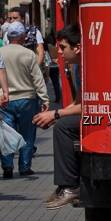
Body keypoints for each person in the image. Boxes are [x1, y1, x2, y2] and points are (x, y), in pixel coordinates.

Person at [32, 24, 81, 209]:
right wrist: (55, 116)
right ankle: (64, 186)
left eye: (63, 48)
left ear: (77, 47)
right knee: (62, 124)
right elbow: (78, 102)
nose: (59, 52)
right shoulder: (77, 67)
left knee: (63, 128)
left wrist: (57, 113)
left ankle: (70, 186)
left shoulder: (86, 67)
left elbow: (90, 106)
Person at [0, 21, 49, 178]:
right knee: (28, 133)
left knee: (6, 133)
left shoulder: (1, 52)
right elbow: (37, 78)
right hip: (27, 98)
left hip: (5, 100)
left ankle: (7, 166)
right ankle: (25, 166)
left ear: (8, 35)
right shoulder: (29, 54)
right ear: (22, 36)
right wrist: (45, 98)